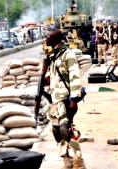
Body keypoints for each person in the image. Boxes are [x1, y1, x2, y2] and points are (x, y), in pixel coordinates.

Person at [44, 29, 86, 169]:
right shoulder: (53, 56)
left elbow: (75, 77)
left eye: (49, 36)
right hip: (54, 99)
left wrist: (74, 99)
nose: (46, 38)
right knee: (56, 131)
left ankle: (78, 159)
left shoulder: (68, 54)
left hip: (66, 98)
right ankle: (66, 160)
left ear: (56, 39)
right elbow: (53, 76)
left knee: (65, 128)